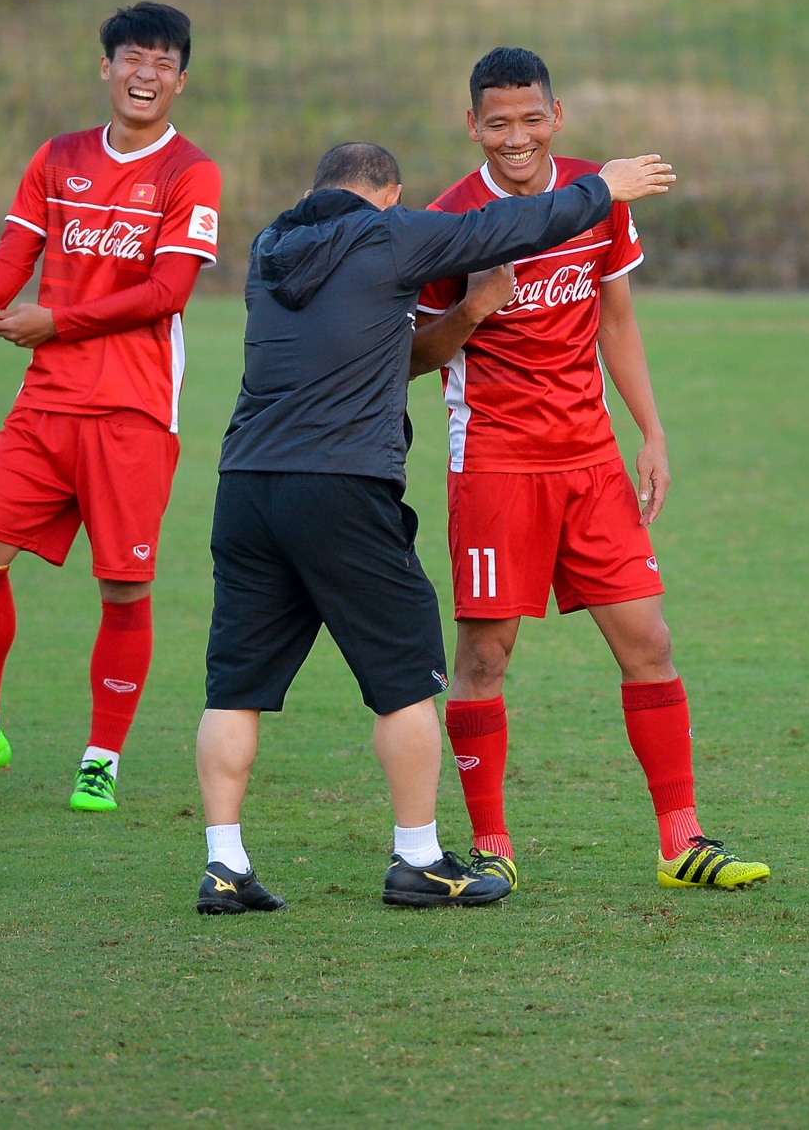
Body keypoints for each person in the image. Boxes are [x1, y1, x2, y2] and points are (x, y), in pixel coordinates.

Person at [194, 140, 676, 915]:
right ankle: (418, 858)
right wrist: (605, 187)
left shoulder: (270, 247)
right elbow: (505, 225)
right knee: (407, 677)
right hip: (343, 484)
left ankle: (224, 863)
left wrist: (468, 311)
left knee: (234, 685)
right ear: (389, 196)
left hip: (246, 483)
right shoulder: (391, 233)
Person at [407, 47, 769, 891]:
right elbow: (415, 356)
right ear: (472, 125)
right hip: (494, 461)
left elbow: (616, 320)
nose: (517, 137)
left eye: (532, 119)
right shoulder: (449, 220)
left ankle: (682, 841)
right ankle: (492, 846)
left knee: (650, 641)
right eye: (498, 122)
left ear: (557, 116)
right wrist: (475, 307)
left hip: (591, 458)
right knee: (485, 657)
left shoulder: (596, 196)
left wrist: (651, 431)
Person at [0, 2, 219, 813]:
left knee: (123, 586)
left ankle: (100, 759)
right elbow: (13, 256)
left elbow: (168, 291)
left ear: (181, 81)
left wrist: (59, 321)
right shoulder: (58, 157)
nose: (146, 74)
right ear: (106, 67)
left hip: (133, 412)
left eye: (163, 63)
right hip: (46, 402)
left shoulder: (192, 172)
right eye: (133, 57)